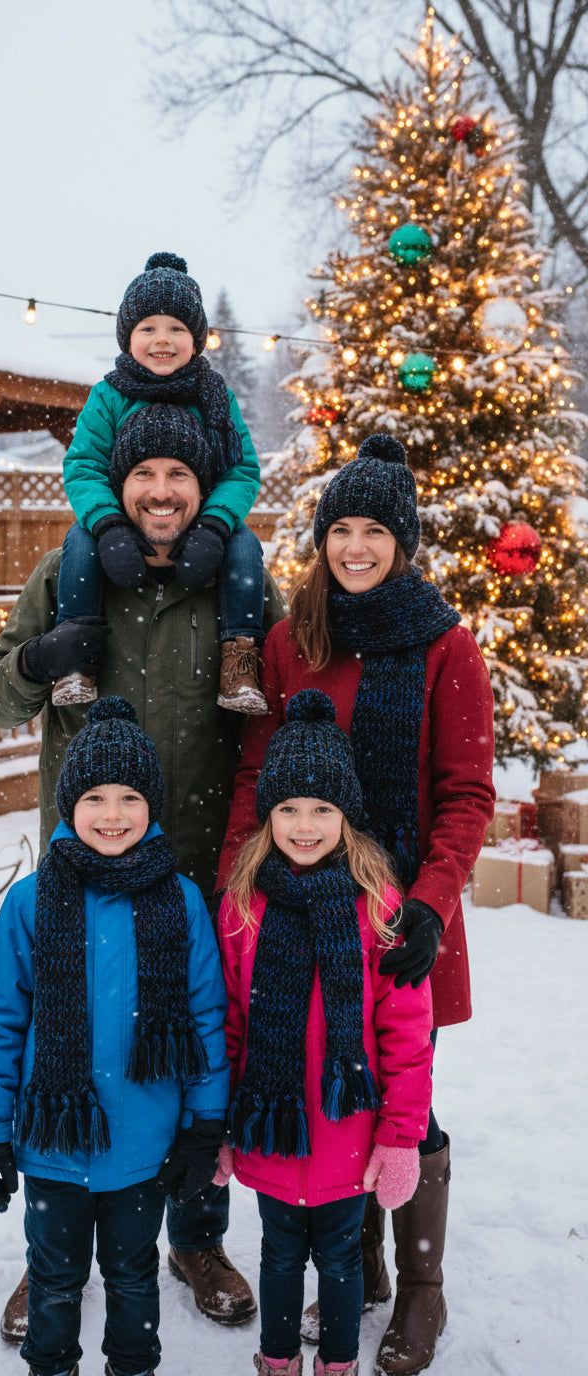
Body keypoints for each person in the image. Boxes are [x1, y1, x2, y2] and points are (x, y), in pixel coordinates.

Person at [0, 402, 287, 1343]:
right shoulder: (63, 573)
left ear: (202, 492)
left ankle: (194, 1233)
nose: (160, 493)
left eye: (179, 479)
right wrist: (38, 659)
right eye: (144, 476)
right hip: (84, 867)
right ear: (120, 486)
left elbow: (280, 707)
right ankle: (52, 1254)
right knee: (63, 1031)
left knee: (197, 1046)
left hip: (202, 863)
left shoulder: (236, 581)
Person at [217, 432, 496, 1376]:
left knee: (403, 1081)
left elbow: (466, 792)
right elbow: (260, 773)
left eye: (376, 530)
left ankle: (419, 1283)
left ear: (402, 542)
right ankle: (357, 1261)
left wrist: (429, 902)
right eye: (342, 528)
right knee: (316, 1074)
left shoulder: (447, 646)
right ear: (324, 538)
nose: (357, 547)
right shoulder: (297, 641)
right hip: (292, 906)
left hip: (402, 916)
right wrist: (233, 888)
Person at [0, 696, 230, 1376]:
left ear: (154, 805)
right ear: (67, 804)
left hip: (144, 1147)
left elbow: (204, 1020)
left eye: (130, 797)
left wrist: (205, 1128)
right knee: (53, 1279)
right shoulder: (30, 902)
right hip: (52, 1142)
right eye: (95, 797)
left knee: (133, 1279)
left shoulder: (181, 900)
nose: (112, 815)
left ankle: (132, 1366)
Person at [214, 688, 434, 1376]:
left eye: (321, 810)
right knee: (278, 1255)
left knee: (341, 1260)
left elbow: (406, 1035)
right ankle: (276, 1360)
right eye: (287, 809)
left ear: (347, 816)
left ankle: (337, 1365)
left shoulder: (379, 908)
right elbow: (227, 1025)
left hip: (350, 1134)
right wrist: (216, 1123)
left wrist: (401, 1138)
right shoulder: (244, 909)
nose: (304, 826)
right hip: (270, 1134)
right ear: (267, 816)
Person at [53, 250, 268, 716]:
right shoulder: (109, 395)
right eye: (147, 328)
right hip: (125, 521)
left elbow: (241, 469)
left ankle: (240, 660)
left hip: (197, 521)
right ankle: (75, 655)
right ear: (128, 337)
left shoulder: (214, 396)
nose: (162, 340)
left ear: (197, 338)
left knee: (246, 546)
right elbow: (84, 465)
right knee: (77, 541)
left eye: (177, 329)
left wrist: (214, 527)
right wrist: (108, 526)